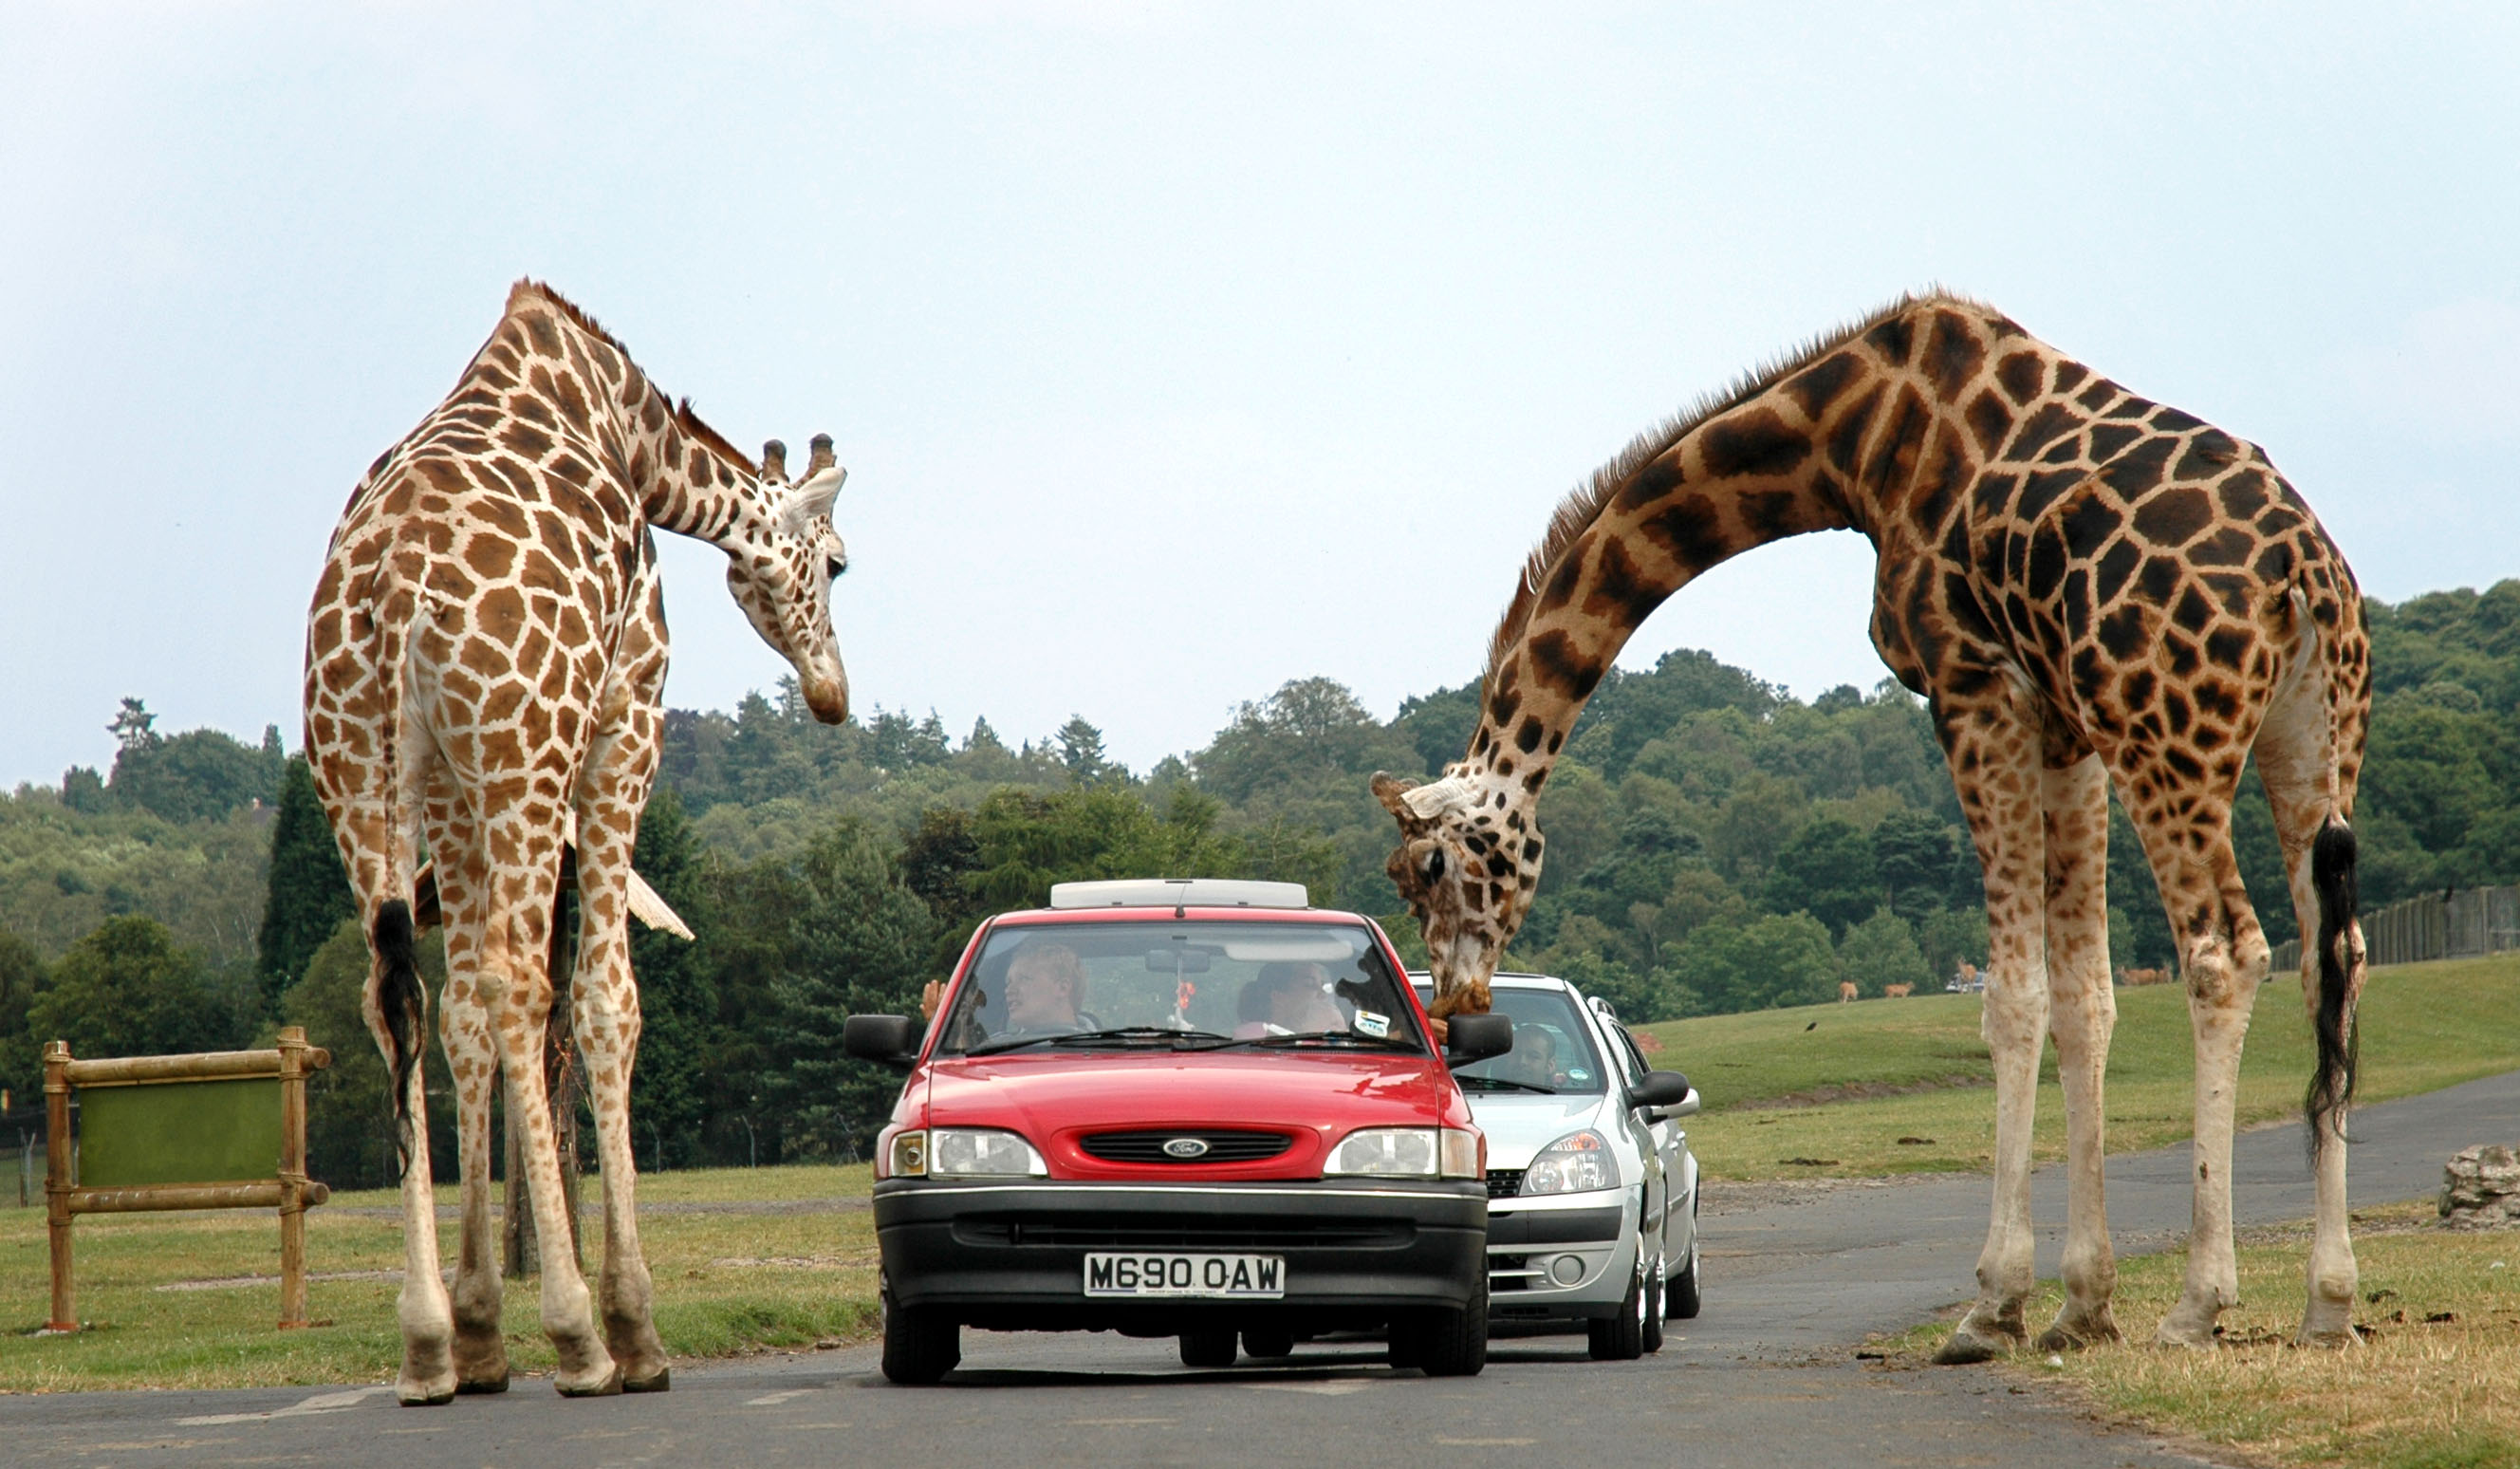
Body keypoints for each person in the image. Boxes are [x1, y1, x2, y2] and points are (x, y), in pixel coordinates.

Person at [1232, 961, 1346, 1038]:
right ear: (1278, 996)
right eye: (1309, 984)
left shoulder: (1328, 1032)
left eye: (1322, 985)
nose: (1322, 994)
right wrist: (1312, 1033)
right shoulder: (1254, 1035)